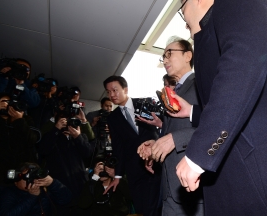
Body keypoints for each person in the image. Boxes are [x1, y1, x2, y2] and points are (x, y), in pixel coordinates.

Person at [171, 0, 267, 215]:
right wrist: (193, 112)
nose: (184, 18)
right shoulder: (210, 35)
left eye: (181, 9)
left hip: (253, 173)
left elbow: (245, 63)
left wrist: (200, 154)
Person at [137, 37, 203, 215]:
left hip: (192, 189)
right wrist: (156, 144)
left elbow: (217, 125)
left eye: (169, 54)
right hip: (169, 189)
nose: (165, 60)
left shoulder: (203, 83)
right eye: (163, 57)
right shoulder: (174, 92)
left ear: (188, 55)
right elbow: (170, 133)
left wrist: (175, 139)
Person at [103, 75, 161, 216]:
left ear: (125, 89)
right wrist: (117, 176)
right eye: (108, 91)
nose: (111, 94)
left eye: (115, 90)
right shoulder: (112, 117)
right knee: (142, 208)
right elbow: (118, 147)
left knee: (158, 205)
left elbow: (160, 127)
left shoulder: (145, 102)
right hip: (134, 168)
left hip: (155, 162)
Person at [38, 111, 95, 215]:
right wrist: (56, 129)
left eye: (69, 119)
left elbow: (88, 154)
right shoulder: (52, 137)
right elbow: (43, 150)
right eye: (63, 119)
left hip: (80, 185)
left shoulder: (80, 137)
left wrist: (78, 137)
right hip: (60, 187)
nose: (67, 122)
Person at [0, 162, 72, 216]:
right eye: (26, 177)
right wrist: (32, 197)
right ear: (15, 181)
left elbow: (66, 200)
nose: (30, 180)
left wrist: (53, 183)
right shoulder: (10, 193)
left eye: (33, 176)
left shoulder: (43, 189)